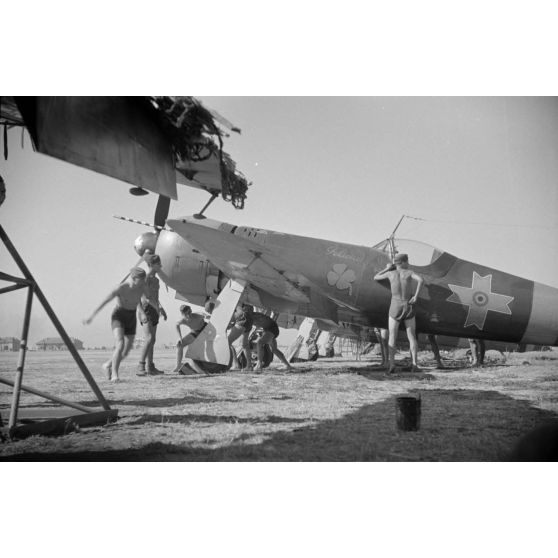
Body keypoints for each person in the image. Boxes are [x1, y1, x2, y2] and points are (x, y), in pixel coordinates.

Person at [83, 267, 147, 382]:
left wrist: (142, 313)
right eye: (141, 279)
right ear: (134, 278)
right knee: (120, 343)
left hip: (131, 317)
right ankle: (114, 375)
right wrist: (91, 316)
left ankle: (107, 365)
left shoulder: (141, 288)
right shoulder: (121, 288)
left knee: (126, 351)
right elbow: (105, 301)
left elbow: (137, 300)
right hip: (119, 316)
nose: (143, 281)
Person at [374, 253, 424, 375]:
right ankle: (414, 364)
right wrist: (416, 296)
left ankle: (392, 365)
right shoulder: (409, 272)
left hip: (395, 305)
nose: (409, 263)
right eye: (407, 261)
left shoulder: (390, 274)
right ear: (403, 262)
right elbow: (421, 280)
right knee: (412, 337)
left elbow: (376, 277)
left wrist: (387, 268)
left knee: (392, 336)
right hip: (408, 304)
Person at [137, 253, 167, 376]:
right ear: (152, 264)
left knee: (153, 340)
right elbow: (144, 298)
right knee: (148, 338)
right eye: (158, 264)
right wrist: (142, 313)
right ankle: (141, 366)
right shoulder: (145, 279)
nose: (161, 266)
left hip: (154, 310)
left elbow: (155, 298)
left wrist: (161, 309)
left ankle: (150, 367)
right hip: (146, 310)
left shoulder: (156, 280)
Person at [173, 305, 207, 374]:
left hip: (205, 331)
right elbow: (176, 325)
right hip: (195, 332)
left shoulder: (198, 315)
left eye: (189, 312)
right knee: (179, 345)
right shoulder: (182, 319)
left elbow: (209, 317)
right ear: (182, 314)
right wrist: (179, 337)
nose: (188, 315)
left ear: (191, 311)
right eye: (186, 314)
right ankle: (178, 365)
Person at [228, 303, 254, 371]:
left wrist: (230, 323)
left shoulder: (236, 301)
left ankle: (236, 365)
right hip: (249, 322)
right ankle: (249, 366)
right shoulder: (247, 301)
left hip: (242, 321)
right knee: (244, 345)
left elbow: (238, 314)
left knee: (228, 342)